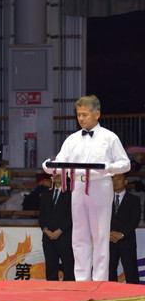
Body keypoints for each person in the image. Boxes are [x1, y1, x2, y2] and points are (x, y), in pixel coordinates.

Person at [42, 95, 130, 281]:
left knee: (100, 235)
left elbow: (125, 164)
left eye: (85, 114)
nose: (81, 118)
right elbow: (61, 163)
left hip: (100, 184)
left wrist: (109, 167)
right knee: (79, 235)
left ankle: (100, 279)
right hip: (78, 185)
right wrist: (49, 166)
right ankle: (81, 279)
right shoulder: (72, 139)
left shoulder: (109, 137)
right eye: (78, 115)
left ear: (97, 114)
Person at [38, 174, 74, 281]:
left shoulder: (71, 193)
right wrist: (45, 229)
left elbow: (73, 215)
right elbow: (41, 214)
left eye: (60, 174)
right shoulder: (46, 193)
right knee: (51, 266)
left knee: (68, 266)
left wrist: (60, 230)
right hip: (48, 236)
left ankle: (69, 289)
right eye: (55, 174)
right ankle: (51, 288)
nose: (57, 176)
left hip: (65, 236)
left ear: (66, 176)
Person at [109, 172, 142, 284]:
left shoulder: (134, 200)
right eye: (113, 179)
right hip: (109, 240)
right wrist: (109, 234)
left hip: (127, 241)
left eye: (118, 179)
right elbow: (101, 218)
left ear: (125, 182)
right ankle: (110, 292)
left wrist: (121, 234)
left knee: (131, 271)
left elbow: (134, 220)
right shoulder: (106, 199)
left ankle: (135, 293)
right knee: (109, 272)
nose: (115, 181)